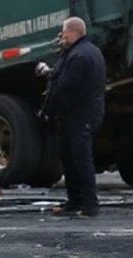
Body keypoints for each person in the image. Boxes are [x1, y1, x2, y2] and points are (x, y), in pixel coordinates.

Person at [40, 16, 106, 217]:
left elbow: (63, 87)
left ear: (72, 32)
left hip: (77, 115)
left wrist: (49, 111)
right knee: (71, 158)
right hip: (81, 115)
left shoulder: (77, 56)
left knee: (79, 159)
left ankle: (88, 204)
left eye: (63, 32)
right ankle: (76, 201)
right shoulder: (89, 52)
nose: (61, 36)